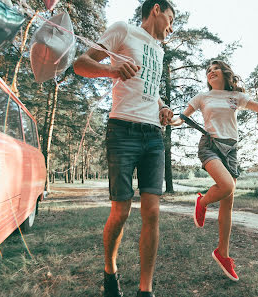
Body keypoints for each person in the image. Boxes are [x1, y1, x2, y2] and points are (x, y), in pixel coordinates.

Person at [170, 60, 258, 281]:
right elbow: (181, 117)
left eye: (215, 68)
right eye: (208, 70)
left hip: (231, 151)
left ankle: (223, 253)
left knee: (228, 203)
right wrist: (171, 119)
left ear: (225, 73)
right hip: (210, 146)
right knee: (227, 185)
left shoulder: (236, 98)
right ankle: (202, 201)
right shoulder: (202, 97)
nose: (211, 72)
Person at [73, 1, 175, 296]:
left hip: (153, 135)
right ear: (156, 10)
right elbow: (80, 64)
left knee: (152, 212)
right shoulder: (122, 30)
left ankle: (146, 290)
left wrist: (163, 107)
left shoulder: (159, 49)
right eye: (170, 18)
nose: (171, 27)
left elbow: (150, 91)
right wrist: (112, 68)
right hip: (122, 131)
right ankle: (109, 270)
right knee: (121, 210)